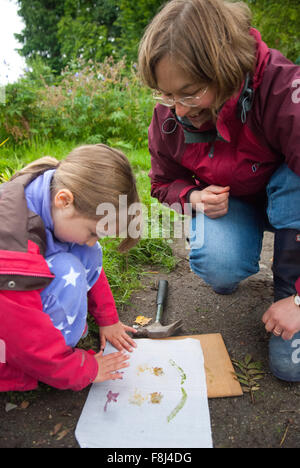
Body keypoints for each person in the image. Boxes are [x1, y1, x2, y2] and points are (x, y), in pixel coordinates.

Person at [138, 0, 300, 381]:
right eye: (166, 95)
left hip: (290, 197)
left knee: (289, 371)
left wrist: (298, 300)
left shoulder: (284, 90)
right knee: (220, 268)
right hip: (239, 202)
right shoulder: (170, 114)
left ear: (224, 69)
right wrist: (192, 197)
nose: (176, 110)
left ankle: (287, 287)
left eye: (189, 93)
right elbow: (161, 183)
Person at [0, 143, 141, 391]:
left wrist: (108, 319)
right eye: (93, 232)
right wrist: (82, 368)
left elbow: (89, 257)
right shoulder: (14, 251)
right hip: (8, 357)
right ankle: (53, 358)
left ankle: (64, 334)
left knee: (83, 249)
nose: (93, 241)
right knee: (68, 265)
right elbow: (25, 343)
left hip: (15, 315)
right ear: (64, 200)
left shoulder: (51, 186)